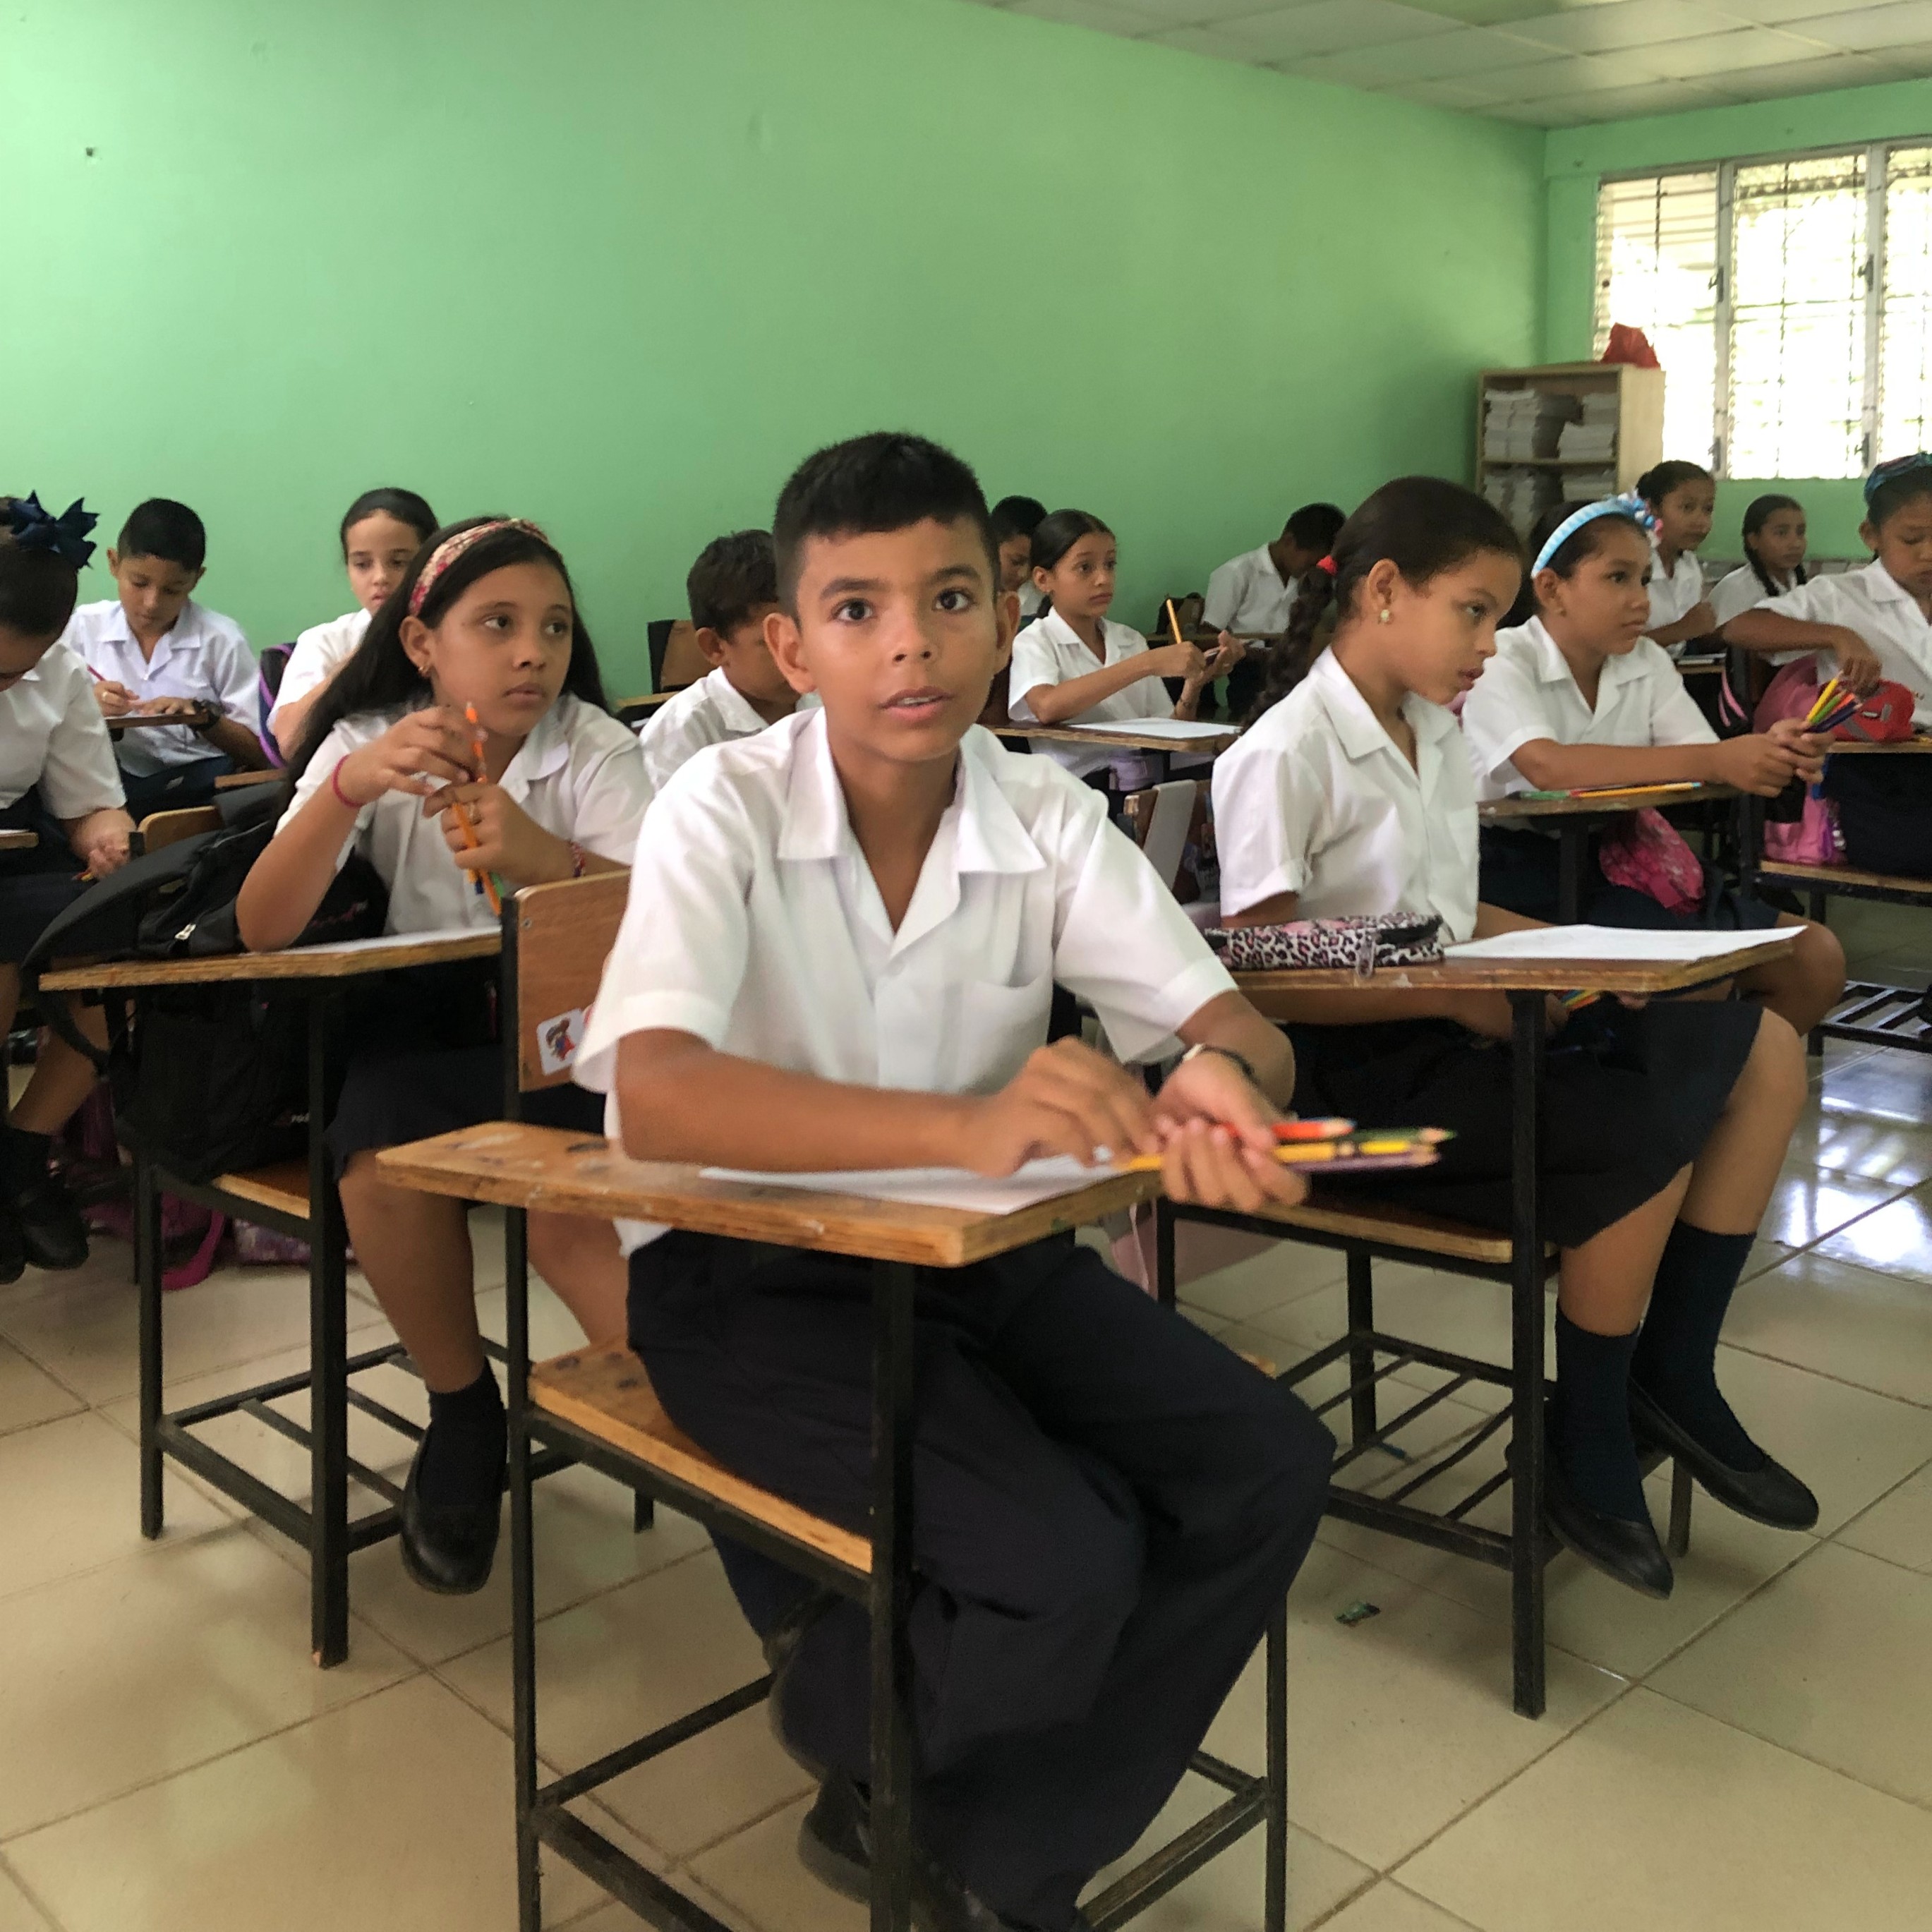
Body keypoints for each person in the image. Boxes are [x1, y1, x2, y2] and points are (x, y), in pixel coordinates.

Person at [576, 431, 1332, 1932]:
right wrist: (965, 1122)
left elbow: (1240, 1023)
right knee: (1066, 1556)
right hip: (746, 1271)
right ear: (791, 646)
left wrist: (1224, 1077)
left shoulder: (1042, 814)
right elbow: (654, 1095)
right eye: (856, 609)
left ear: (1003, 615)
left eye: (950, 597)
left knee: (1265, 1464)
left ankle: (970, 1829)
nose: (911, 643)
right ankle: (863, 1721)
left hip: (982, 1255)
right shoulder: (719, 804)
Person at [1212, 473, 1818, 1604]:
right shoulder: (1285, 749)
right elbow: (1261, 967)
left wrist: (1579, 954)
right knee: (1641, 1118)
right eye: (1473, 612)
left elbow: (1444, 918)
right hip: (1354, 1081)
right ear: (1381, 592)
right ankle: (1584, 1429)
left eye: (1496, 616)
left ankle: (1671, 1368)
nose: (1490, 644)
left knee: (1763, 1049)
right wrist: (1449, 996)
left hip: (1463, 1026)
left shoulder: (1430, 732)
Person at [235, 516, 649, 1595]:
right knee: (379, 1156)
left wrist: (542, 855)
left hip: (572, 1032)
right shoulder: (373, 739)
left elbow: (666, 918)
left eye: (554, 627)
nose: (532, 653)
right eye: (497, 624)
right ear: (422, 644)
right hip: (422, 1032)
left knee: (569, 1215)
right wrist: (347, 787)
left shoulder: (592, 746)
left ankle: (720, 1438)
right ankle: (464, 1407)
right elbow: (263, 927)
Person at [1463, 499, 1846, 1034]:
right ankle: (1646, 1071)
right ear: (1551, 589)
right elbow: (1546, 766)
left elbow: (1704, 760)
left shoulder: (1645, 661)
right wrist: (1718, 758)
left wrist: (1769, 749)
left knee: (1814, 959)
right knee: (1692, 979)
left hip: (1624, 855)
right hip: (1516, 865)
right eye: (1617, 578)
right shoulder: (1504, 658)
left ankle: (1728, 1076)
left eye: (1644, 580)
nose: (1641, 600)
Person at [0, 495, 135, 1279]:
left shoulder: (59, 674)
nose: (8, 684)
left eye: (18, 671)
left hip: (18, 849)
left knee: (122, 947)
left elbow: (89, 802)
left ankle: (20, 1154)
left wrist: (108, 836)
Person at [1722, 453, 1932, 874]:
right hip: (1877, 774)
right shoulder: (1838, 596)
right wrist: (1835, 635)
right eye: (1912, 540)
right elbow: (1741, 628)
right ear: (1871, 535)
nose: (1929, 554)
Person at [63, 498, 267, 814]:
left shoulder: (222, 640)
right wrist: (86, 706)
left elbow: (261, 754)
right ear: (114, 563)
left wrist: (203, 718)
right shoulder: (81, 628)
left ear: (196, 579)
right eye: (139, 583)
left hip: (204, 787)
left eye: (172, 590)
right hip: (114, 785)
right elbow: (41, 715)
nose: (152, 603)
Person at [1007, 509, 1238, 786]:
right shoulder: (1035, 640)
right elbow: (1047, 706)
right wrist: (1146, 664)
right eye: (1085, 568)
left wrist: (1194, 685)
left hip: (1145, 781)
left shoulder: (1129, 639)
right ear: (1044, 580)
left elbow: (1168, 732)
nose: (1103, 579)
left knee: (1230, 767)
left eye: (1110, 564)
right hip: (1077, 788)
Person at [269, 488, 440, 757]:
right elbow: (291, 743)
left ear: (432, 563)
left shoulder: (453, 636)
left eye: (399, 562)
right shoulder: (325, 641)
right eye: (362, 564)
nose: (380, 577)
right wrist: (363, 656)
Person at [636, 529, 799, 799]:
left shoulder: (828, 699)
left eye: (804, 633)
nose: (800, 655)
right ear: (715, 647)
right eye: (772, 642)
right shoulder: (679, 735)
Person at [1202, 502, 1346, 720]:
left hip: (1293, 669)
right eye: (1311, 563)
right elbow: (1205, 638)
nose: (1313, 570)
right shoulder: (1237, 573)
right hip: (1249, 673)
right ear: (1289, 541)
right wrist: (1246, 652)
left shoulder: (1307, 580)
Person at [1636, 461, 1717, 654]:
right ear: (1653, 508)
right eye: (1687, 507)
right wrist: (1680, 630)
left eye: (1708, 509)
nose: (1701, 521)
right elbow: (1609, 649)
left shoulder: (1689, 564)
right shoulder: (1633, 563)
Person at [1708, 493, 1807, 629]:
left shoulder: (1804, 586)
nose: (1796, 543)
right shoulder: (1735, 590)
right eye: (1781, 533)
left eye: (1800, 532)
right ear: (1753, 540)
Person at [989, 494, 1048, 619]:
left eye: (1034, 564)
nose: (1024, 574)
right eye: (1016, 562)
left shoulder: (1042, 599)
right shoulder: (966, 589)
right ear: (990, 546)